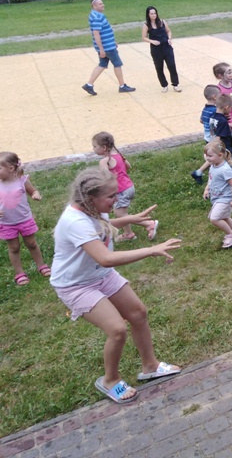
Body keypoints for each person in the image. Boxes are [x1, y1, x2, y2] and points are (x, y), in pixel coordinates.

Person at [50, 168, 181, 404]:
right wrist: (150, 250)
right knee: (117, 329)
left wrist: (131, 219)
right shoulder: (74, 221)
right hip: (76, 285)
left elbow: (101, 225)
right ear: (90, 198)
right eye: (111, 196)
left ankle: (150, 366)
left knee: (138, 313)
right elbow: (106, 258)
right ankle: (110, 380)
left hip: (100, 275)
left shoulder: (93, 210)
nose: (117, 199)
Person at [92, 131, 158, 242]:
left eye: (94, 146)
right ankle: (129, 233)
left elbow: (105, 178)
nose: (93, 149)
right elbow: (128, 166)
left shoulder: (104, 161)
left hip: (121, 191)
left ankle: (148, 224)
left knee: (121, 215)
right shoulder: (118, 155)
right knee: (122, 213)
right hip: (129, 187)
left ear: (104, 147)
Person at [0, 152, 49, 286]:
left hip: (24, 220)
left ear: (11, 168)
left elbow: (33, 191)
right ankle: (20, 273)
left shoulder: (22, 180)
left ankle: (41, 265)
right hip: (6, 223)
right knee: (14, 248)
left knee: (32, 244)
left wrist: (35, 195)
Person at [82, 0, 136, 96]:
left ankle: (89, 84)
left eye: (102, 3)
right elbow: (96, 34)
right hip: (107, 47)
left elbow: (103, 31)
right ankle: (122, 86)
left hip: (107, 45)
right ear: (94, 6)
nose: (103, 5)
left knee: (102, 64)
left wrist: (112, 41)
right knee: (117, 64)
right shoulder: (97, 17)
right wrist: (101, 49)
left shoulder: (94, 15)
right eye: (100, 4)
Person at [202, 139, 232, 249]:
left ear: (220, 155)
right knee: (225, 217)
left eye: (210, 156)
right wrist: (207, 189)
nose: (207, 158)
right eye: (206, 155)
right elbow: (211, 178)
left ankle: (231, 234)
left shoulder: (224, 169)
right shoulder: (213, 166)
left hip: (225, 199)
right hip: (217, 198)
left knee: (214, 219)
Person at [142, 6, 179, 93]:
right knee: (159, 68)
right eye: (151, 14)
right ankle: (164, 85)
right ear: (148, 15)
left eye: (155, 13)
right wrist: (152, 41)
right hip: (156, 49)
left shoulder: (162, 22)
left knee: (172, 65)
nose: (154, 15)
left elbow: (168, 31)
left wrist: (169, 38)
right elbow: (144, 37)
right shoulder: (146, 25)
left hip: (166, 47)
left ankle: (175, 84)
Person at [190, 85, 221, 185]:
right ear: (214, 97)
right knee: (219, 157)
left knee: (217, 156)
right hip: (213, 138)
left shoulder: (205, 109)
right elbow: (214, 125)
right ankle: (221, 177)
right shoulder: (214, 110)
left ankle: (198, 172)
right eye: (220, 95)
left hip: (207, 137)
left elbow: (201, 120)